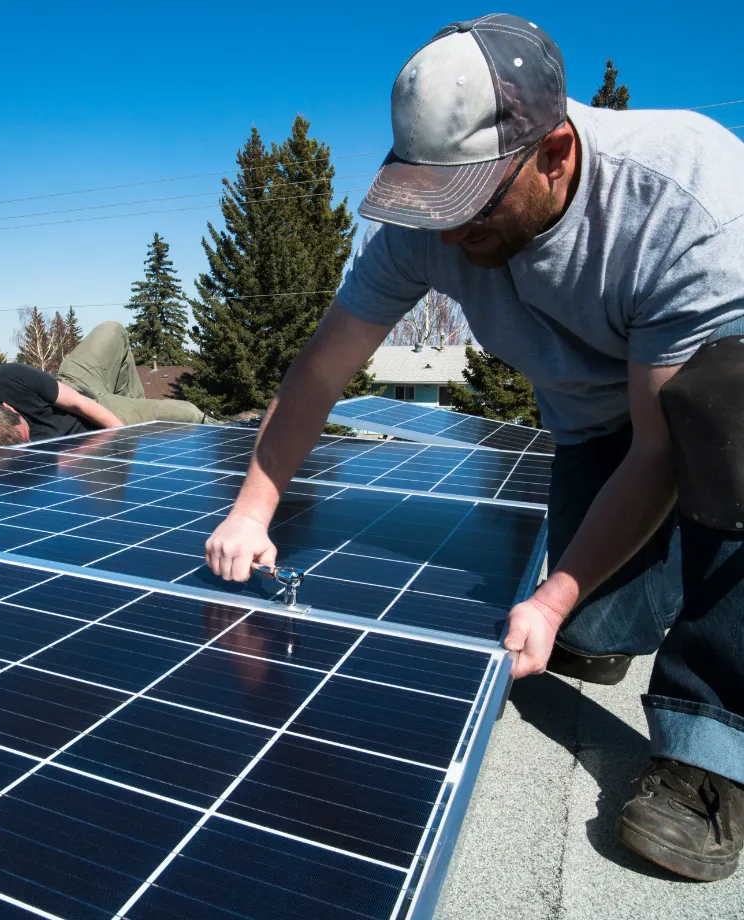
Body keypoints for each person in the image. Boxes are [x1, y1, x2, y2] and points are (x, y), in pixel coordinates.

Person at [204, 13, 744, 881]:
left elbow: (662, 449)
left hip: (716, 391)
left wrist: (553, 600)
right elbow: (320, 371)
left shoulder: (686, 200)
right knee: (606, 621)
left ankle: (713, 750)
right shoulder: (425, 227)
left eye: (472, 206)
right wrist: (253, 507)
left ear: (556, 153)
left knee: (726, 458)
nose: (449, 237)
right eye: (434, 204)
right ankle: (622, 606)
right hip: (594, 417)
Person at [0, 321, 214, 446]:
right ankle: (231, 426)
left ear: (10, 409)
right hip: (90, 431)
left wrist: (125, 439)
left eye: (25, 434)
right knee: (188, 412)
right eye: (24, 445)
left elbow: (78, 403)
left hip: (80, 394)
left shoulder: (9, 377)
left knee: (113, 330)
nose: (29, 442)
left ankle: (132, 406)